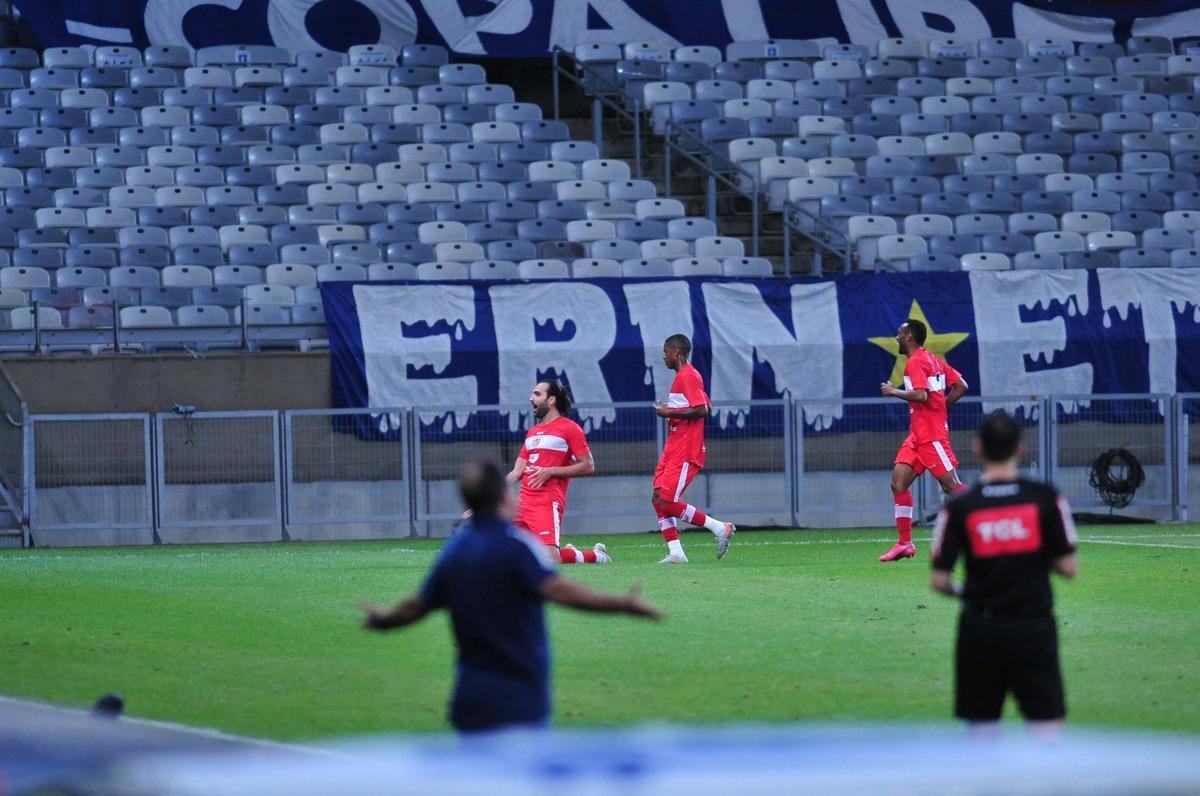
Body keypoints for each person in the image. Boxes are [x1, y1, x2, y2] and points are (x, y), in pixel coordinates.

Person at [360, 459, 661, 734]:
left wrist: (385, 620)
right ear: (505, 497)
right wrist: (621, 604)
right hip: (521, 699)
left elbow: (417, 605)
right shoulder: (518, 547)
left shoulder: (453, 552)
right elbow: (559, 590)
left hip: (470, 699)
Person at [930, 411, 1079, 734]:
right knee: (1046, 727)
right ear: (1020, 448)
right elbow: (1069, 567)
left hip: (980, 628)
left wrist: (967, 590)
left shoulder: (959, 506)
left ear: (977, 448)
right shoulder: (1045, 498)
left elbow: (939, 580)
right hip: (1033, 626)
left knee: (982, 733)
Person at [879, 318, 968, 562]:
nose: (897, 337)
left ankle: (992, 523)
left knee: (952, 487)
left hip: (931, 435)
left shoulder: (916, 362)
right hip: (917, 436)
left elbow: (920, 394)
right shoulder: (935, 360)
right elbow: (961, 386)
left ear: (908, 336)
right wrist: (940, 409)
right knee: (898, 483)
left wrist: (893, 390)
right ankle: (904, 543)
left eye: (899, 333)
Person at [651, 333, 735, 564]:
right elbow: (697, 405)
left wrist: (668, 412)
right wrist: (669, 409)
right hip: (673, 447)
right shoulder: (683, 377)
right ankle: (676, 553)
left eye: (666, 351)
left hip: (686, 449)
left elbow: (702, 410)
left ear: (677, 352)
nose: (663, 356)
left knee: (666, 501)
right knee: (658, 498)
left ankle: (720, 528)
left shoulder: (688, 375)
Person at [507, 379, 610, 564]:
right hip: (522, 503)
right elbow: (516, 472)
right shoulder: (532, 432)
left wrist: (550, 471)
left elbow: (588, 465)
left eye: (537, 394)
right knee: (506, 555)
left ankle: (596, 556)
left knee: (550, 558)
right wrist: (484, 497)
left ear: (552, 400)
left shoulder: (570, 428)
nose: (531, 398)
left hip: (546, 502)